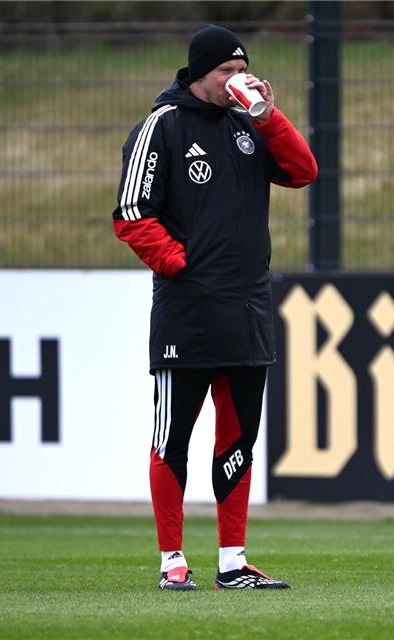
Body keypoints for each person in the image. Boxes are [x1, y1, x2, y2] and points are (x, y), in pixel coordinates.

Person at [112, 24, 318, 591]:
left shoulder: (250, 124)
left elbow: (304, 171)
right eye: (227, 71)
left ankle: (233, 561)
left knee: (239, 441)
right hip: (189, 312)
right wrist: (182, 264)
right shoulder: (162, 126)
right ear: (201, 73)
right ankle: (172, 560)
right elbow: (131, 215)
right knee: (172, 439)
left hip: (248, 309)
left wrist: (269, 116)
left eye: (243, 70)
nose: (237, 79)